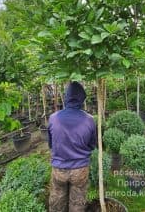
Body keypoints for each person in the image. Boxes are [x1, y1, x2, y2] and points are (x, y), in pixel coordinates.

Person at [48, 81, 97, 212]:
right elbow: (92, 145)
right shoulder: (89, 120)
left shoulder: (53, 118)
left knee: (57, 202)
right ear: (82, 98)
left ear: (66, 97)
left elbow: (51, 144)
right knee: (78, 203)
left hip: (59, 169)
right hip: (80, 170)